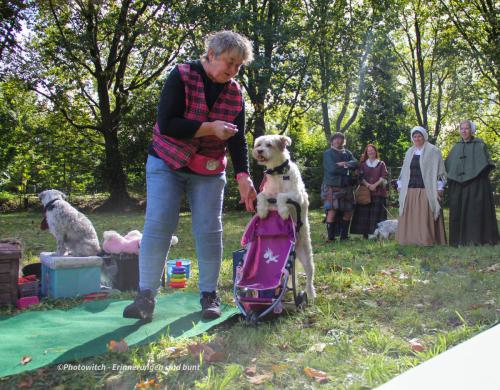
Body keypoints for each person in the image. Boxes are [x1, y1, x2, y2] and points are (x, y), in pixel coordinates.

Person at [123, 31, 257, 321]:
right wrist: (210, 128)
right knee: (158, 224)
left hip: (208, 169)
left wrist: (243, 176)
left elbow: (237, 138)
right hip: (166, 162)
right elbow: (167, 123)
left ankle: (209, 295)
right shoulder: (181, 75)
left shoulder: (235, 93)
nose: (233, 71)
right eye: (230, 63)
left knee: (209, 230)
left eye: (238, 66)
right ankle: (145, 296)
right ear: (211, 55)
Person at [445, 120, 498, 246]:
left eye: (467, 128)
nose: (464, 131)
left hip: (476, 186)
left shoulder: (480, 145)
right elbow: (449, 165)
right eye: (461, 128)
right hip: (459, 187)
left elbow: (485, 164)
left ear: (472, 130)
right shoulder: (456, 147)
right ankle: (458, 240)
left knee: (475, 213)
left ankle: (476, 239)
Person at [396, 126, 446, 246]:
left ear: (424, 137)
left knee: (425, 217)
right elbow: (404, 171)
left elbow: (439, 171)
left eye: (419, 136)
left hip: (426, 190)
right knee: (410, 216)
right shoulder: (410, 151)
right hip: (410, 189)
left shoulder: (434, 151)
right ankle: (409, 240)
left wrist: (440, 187)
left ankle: (426, 240)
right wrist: (400, 184)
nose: (417, 138)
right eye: (414, 136)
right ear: (412, 138)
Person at [322, 133, 359, 241]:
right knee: (332, 211)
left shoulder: (347, 152)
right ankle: (331, 237)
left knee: (348, 211)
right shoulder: (328, 153)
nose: (339, 141)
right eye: (336, 139)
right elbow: (332, 169)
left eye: (341, 139)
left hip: (346, 186)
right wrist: (347, 168)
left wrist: (344, 163)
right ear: (332, 141)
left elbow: (356, 163)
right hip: (332, 187)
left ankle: (344, 237)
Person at [350, 144, 388, 238]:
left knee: (377, 214)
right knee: (364, 214)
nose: (371, 152)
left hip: (378, 192)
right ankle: (365, 234)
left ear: (376, 152)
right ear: (366, 153)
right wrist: (368, 185)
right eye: (368, 150)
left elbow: (383, 176)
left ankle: (377, 234)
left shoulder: (381, 163)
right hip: (365, 193)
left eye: (372, 150)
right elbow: (360, 176)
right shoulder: (362, 164)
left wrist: (374, 185)